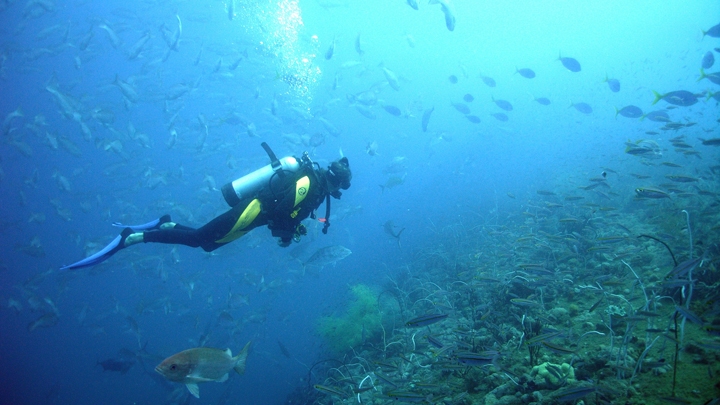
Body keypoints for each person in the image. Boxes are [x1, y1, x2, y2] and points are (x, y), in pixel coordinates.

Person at [61, 143, 352, 270]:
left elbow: (289, 211)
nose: (338, 193)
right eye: (341, 187)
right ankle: (135, 237)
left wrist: (292, 227)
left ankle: (167, 224)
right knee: (199, 239)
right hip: (253, 211)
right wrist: (288, 234)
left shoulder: (314, 186)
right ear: (336, 183)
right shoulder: (310, 183)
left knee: (207, 244)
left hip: (254, 218)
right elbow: (281, 208)